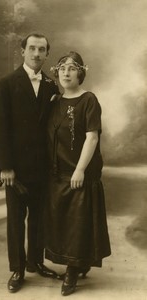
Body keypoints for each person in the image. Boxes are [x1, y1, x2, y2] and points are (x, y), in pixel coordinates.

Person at [0, 33, 59, 293]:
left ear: (47, 54)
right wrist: (5, 166)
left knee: (40, 219)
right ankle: (18, 269)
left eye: (42, 49)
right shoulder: (7, 83)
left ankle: (35, 263)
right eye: (32, 48)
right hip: (15, 169)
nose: (36, 54)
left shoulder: (52, 87)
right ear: (23, 51)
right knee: (16, 220)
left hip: (43, 168)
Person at [44, 51, 111, 296]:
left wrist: (80, 169)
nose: (66, 72)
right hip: (57, 173)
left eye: (72, 68)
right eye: (62, 68)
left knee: (77, 223)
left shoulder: (88, 100)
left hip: (79, 172)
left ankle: (73, 271)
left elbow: (92, 137)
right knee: (63, 221)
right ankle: (76, 264)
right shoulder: (54, 102)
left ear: (80, 72)